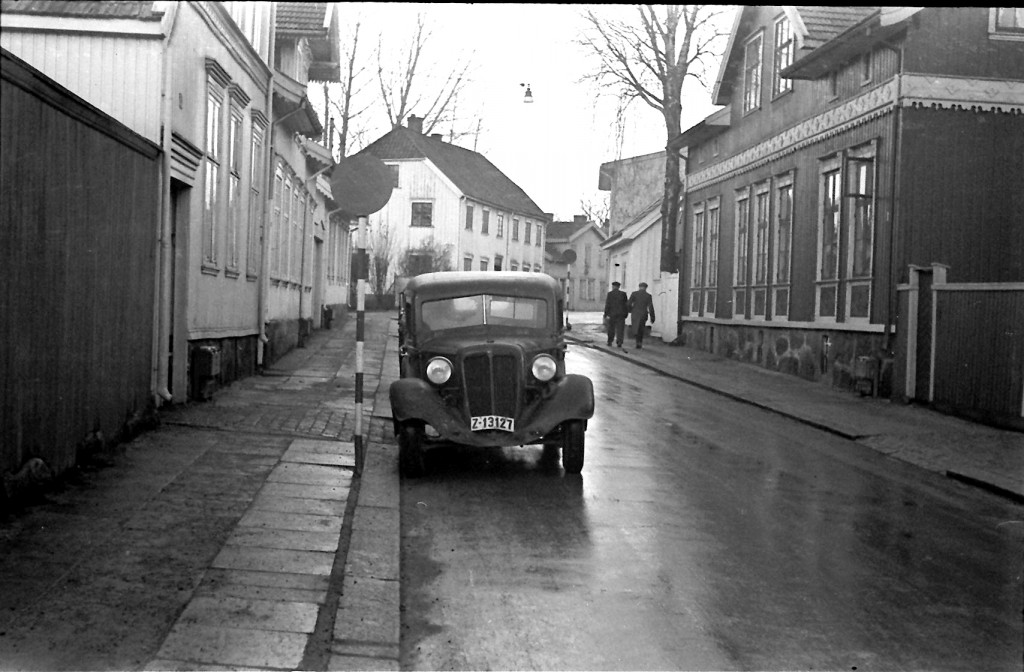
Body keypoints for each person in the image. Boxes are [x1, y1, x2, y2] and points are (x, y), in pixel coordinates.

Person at [627, 282, 656, 349]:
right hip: (643, 314)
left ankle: (637, 341)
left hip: (635, 313)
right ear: (646, 288)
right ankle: (639, 342)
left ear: (639, 287)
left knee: (635, 327)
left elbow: (628, 304)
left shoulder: (634, 294)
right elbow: (650, 307)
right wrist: (652, 317)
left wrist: (630, 310)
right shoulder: (648, 296)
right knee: (641, 328)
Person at [603, 281, 628, 348]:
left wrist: (605, 314)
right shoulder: (623, 294)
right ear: (619, 287)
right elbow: (626, 305)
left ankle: (610, 341)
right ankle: (619, 342)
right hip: (621, 314)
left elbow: (607, 305)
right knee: (620, 329)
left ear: (613, 286)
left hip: (612, 314)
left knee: (611, 328)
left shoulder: (610, 294)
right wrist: (626, 313)